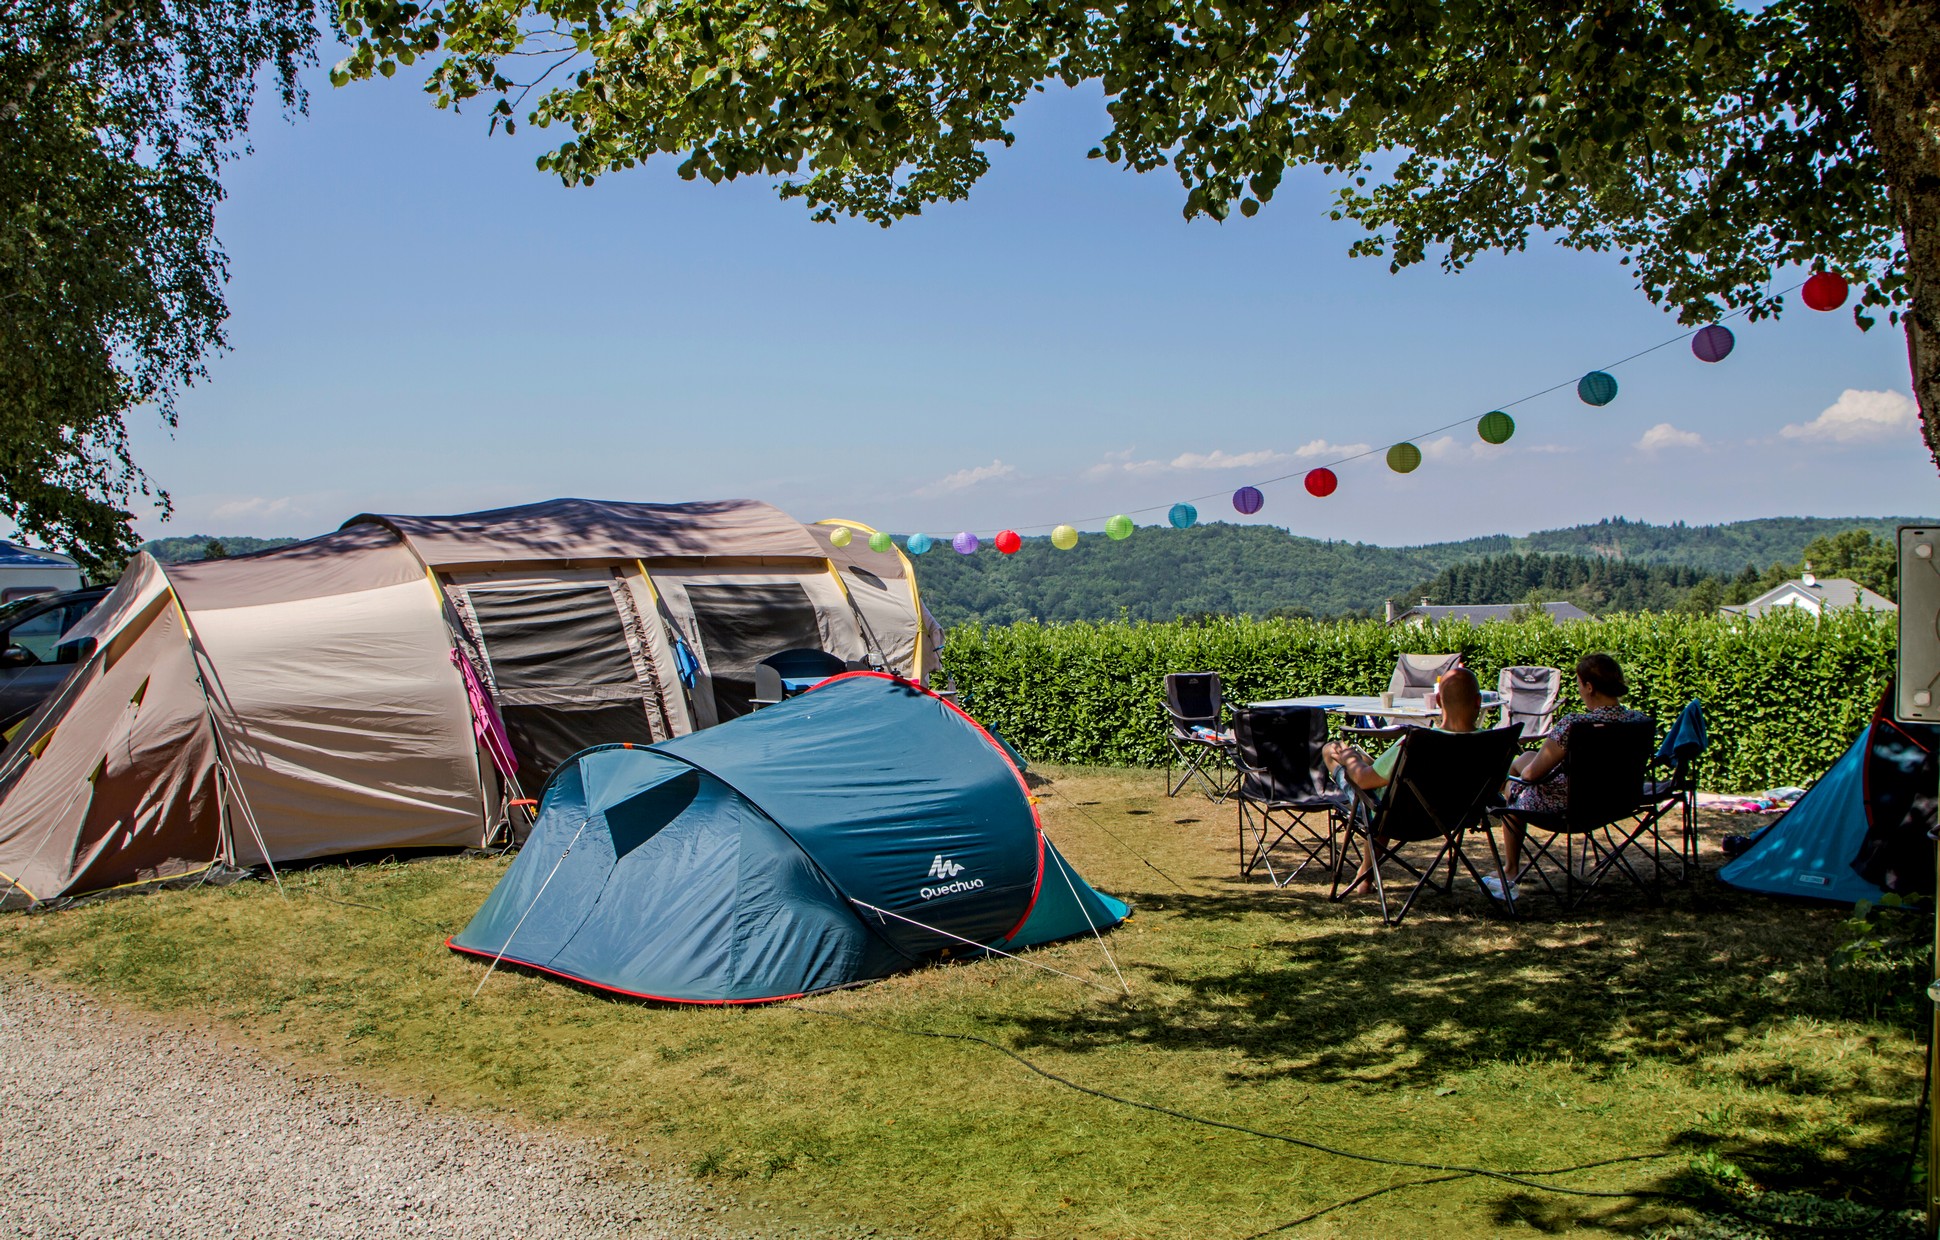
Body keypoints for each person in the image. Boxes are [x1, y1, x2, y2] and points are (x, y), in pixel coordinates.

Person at [1486, 652, 1650, 899]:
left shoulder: (1575, 725)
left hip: (1572, 806)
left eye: (1579, 684)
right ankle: (1493, 795)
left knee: (1515, 787)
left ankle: (1509, 866)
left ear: (1589, 687)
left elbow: (1531, 775)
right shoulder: (1639, 721)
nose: (1579, 690)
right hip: (1618, 800)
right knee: (1527, 757)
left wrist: (1513, 780)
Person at [1323, 666, 1483, 896]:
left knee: (1332, 751)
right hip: (1453, 818)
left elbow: (1364, 781)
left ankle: (1365, 875)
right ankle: (1365, 875)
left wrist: (1348, 757)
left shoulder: (1416, 743)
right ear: (1478, 702)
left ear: (1438, 701)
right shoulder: (1493, 744)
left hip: (1397, 817)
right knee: (1389, 794)